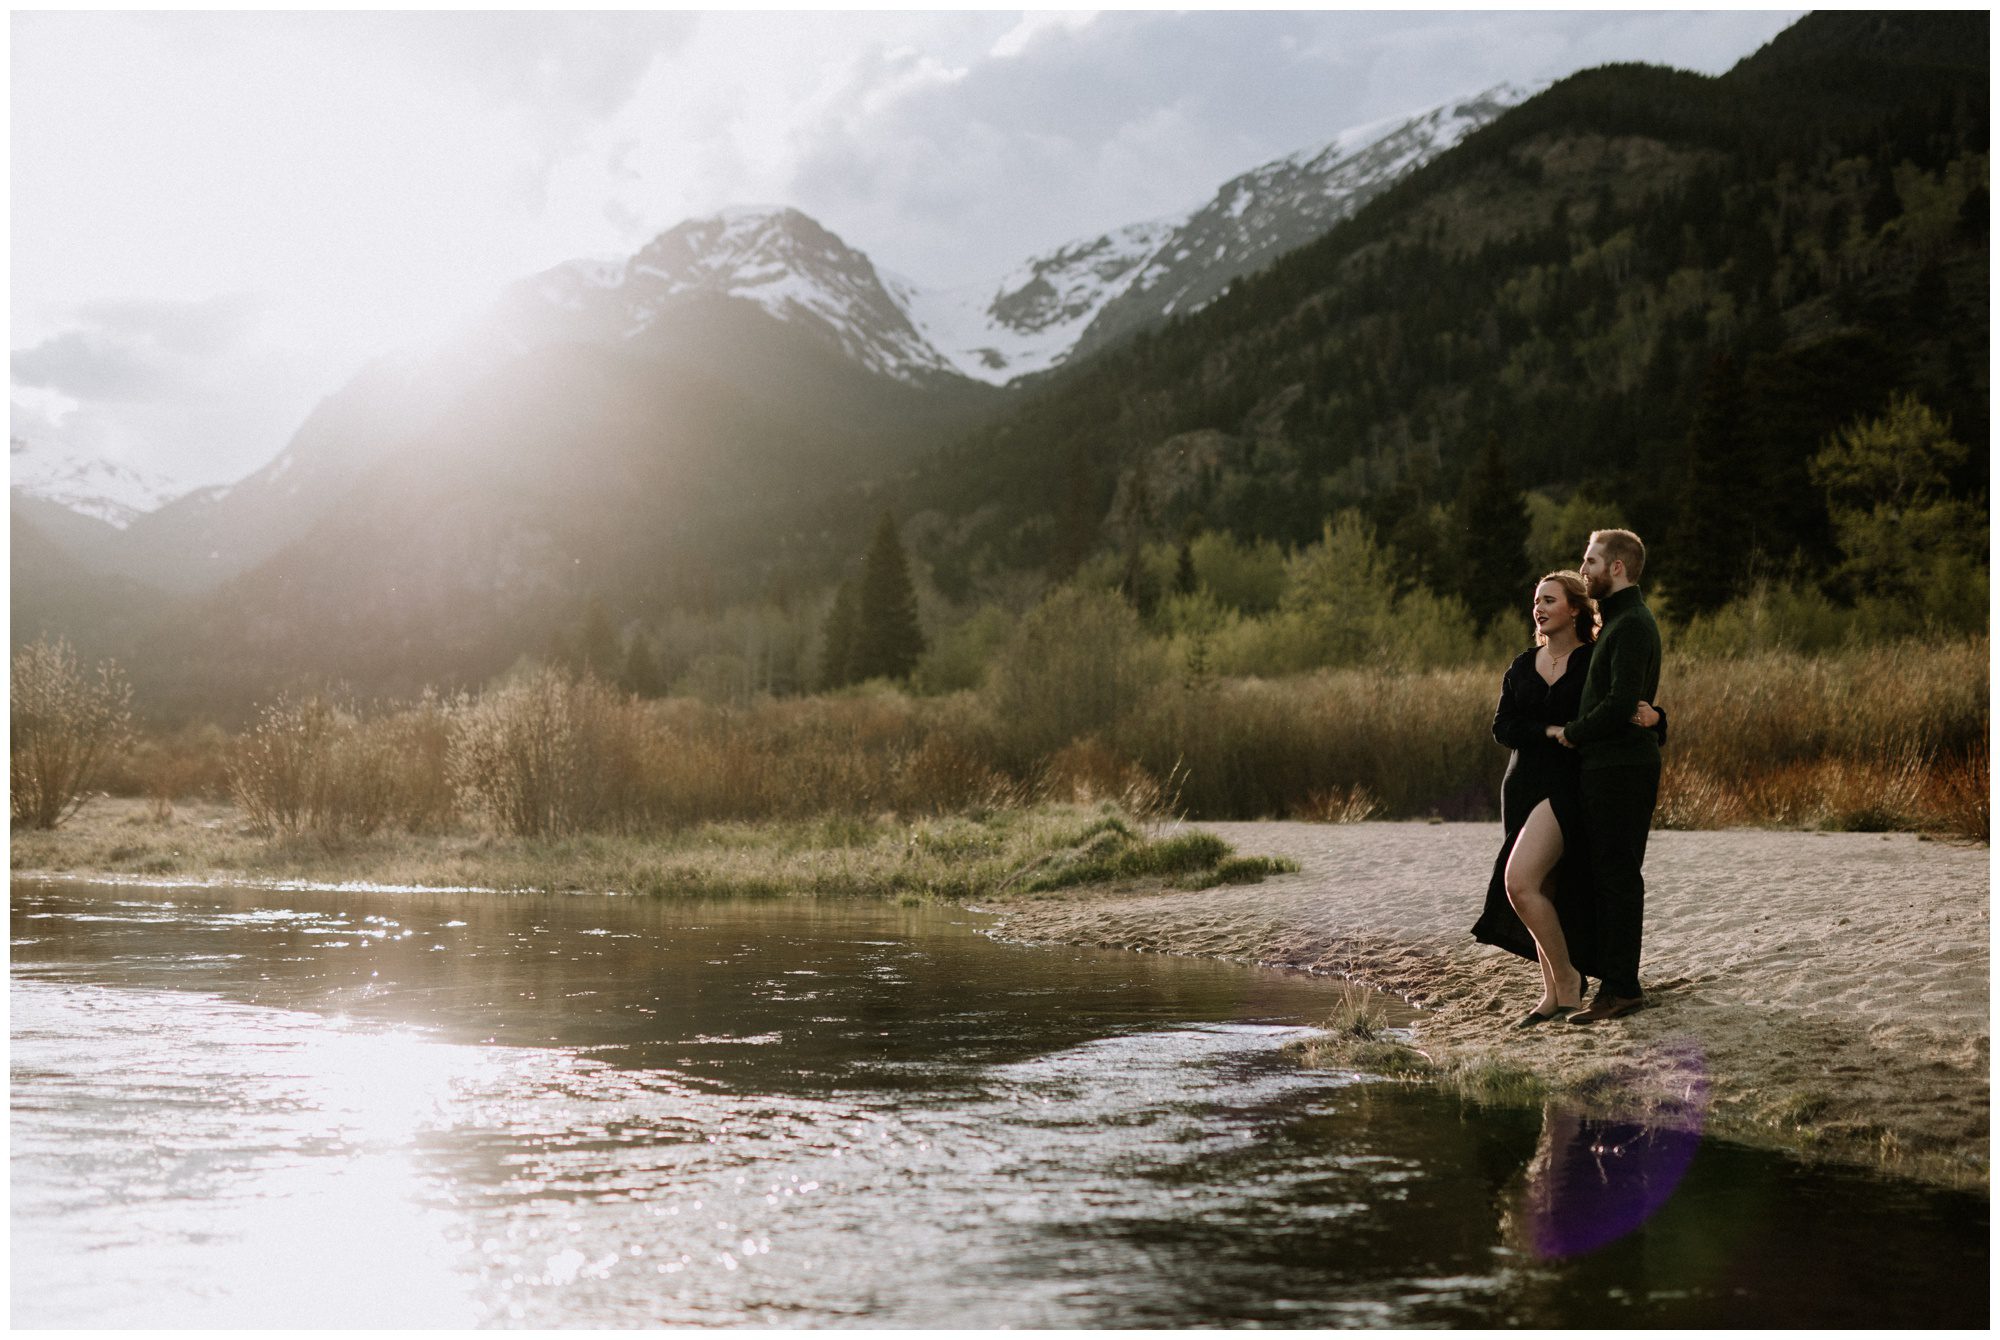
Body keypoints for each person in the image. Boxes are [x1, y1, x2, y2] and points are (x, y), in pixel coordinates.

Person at [1472, 571, 1661, 1027]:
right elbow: (1503, 727)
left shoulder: (1593, 660)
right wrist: (1548, 731)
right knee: (1543, 889)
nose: (1538, 607)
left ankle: (1570, 979)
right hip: (1520, 784)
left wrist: (1658, 718)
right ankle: (1554, 993)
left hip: (1567, 787)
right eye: (1535, 600)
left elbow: (1620, 708)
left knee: (1519, 884)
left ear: (1575, 608)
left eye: (1549, 599)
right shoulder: (1521, 664)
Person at [1556, 528, 1664, 1025]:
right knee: (1608, 876)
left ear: (1616, 567)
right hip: (1611, 765)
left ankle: (1621, 989)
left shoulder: (1634, 625)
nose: (1584, 570)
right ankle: (1613, 984)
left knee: (1618, 878)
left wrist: (1573, 732)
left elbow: (1622, 702)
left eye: (1591, 562)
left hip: (1621, 767)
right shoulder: (1618, 624)